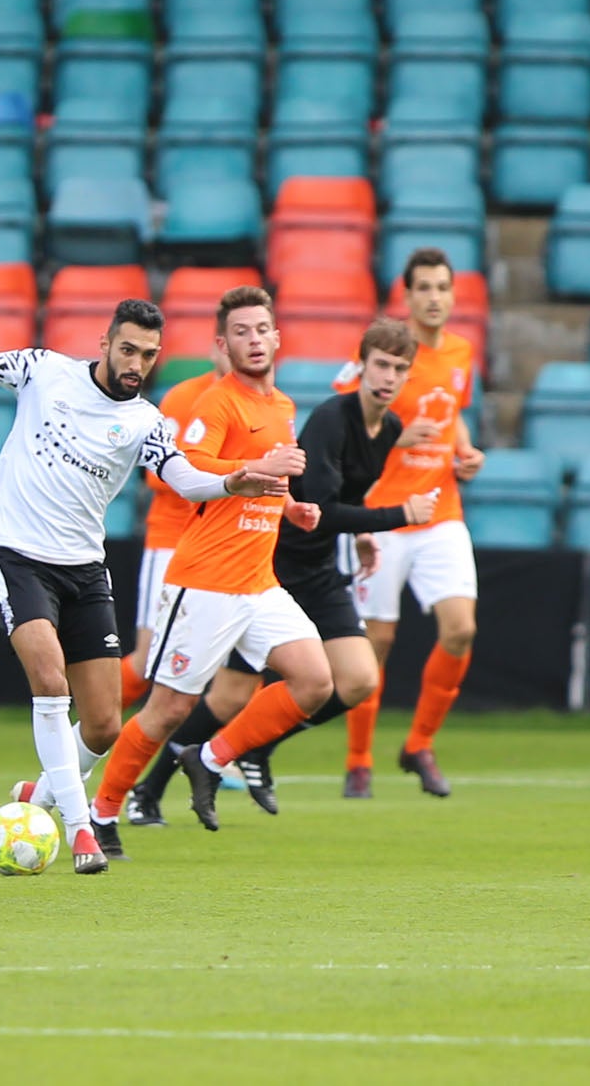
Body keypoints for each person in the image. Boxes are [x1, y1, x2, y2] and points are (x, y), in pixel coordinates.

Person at [0, 284, 297, 875]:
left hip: (84, 569)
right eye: (128, 351)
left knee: (102, 723)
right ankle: (79, 832)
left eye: (149, 356)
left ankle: (38, 799)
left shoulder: (146, 421)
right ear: (106, 344)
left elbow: (187, 479)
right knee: (49, 681)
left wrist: (236, 481)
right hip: (17, 552)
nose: (136, 365)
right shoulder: (43, 371)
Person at [125, 318, 435, 823]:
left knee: (358, 680)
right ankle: (148, 791)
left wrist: (361, 536)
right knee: (228, 695)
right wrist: (399, 517)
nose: (389, 376)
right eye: (380, 364)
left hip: (319, 571)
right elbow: (319, 507)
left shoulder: (391, 428)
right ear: (360, 366)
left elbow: (346, 501)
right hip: (275, 564)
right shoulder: (332, 419)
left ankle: (250, 749)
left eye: (400, 368)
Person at [88, 287, 327, 848]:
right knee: (169, 705)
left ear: (276, 337)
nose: (253, 340)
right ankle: (102, 811)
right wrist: (258, 466)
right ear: (223, 344)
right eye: (240, 332)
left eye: (261, 329)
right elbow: (189, 468)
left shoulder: (283, 406)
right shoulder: (216, 403)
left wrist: (292, 506)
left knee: (315, 682)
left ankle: (211, 757)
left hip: (258, 580)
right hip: (206, 579)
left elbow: (268, 483)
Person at [342, 248, 485, 799]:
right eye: (423, 286)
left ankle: (419, 744)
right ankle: (358, 761)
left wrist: (467, 451)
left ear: (452, 295)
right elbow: (343, 421)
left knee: (461, 629)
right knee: (375, 644)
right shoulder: (385, 352)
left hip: (441, 510)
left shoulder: (460, 351)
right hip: (382, 514)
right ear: (406, 295)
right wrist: (396, 436)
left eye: (442, 287)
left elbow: (454, 412)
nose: (433, 296)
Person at [122, 342, 229, 709]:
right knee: (148, 660)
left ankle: (216, 755)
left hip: (228, 544)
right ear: (217, 349)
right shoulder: (184, 398)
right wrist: (228, 477)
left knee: (236, 666)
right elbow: (156, 475)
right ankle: (91, 724)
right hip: (172, 538)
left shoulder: (263, 406)